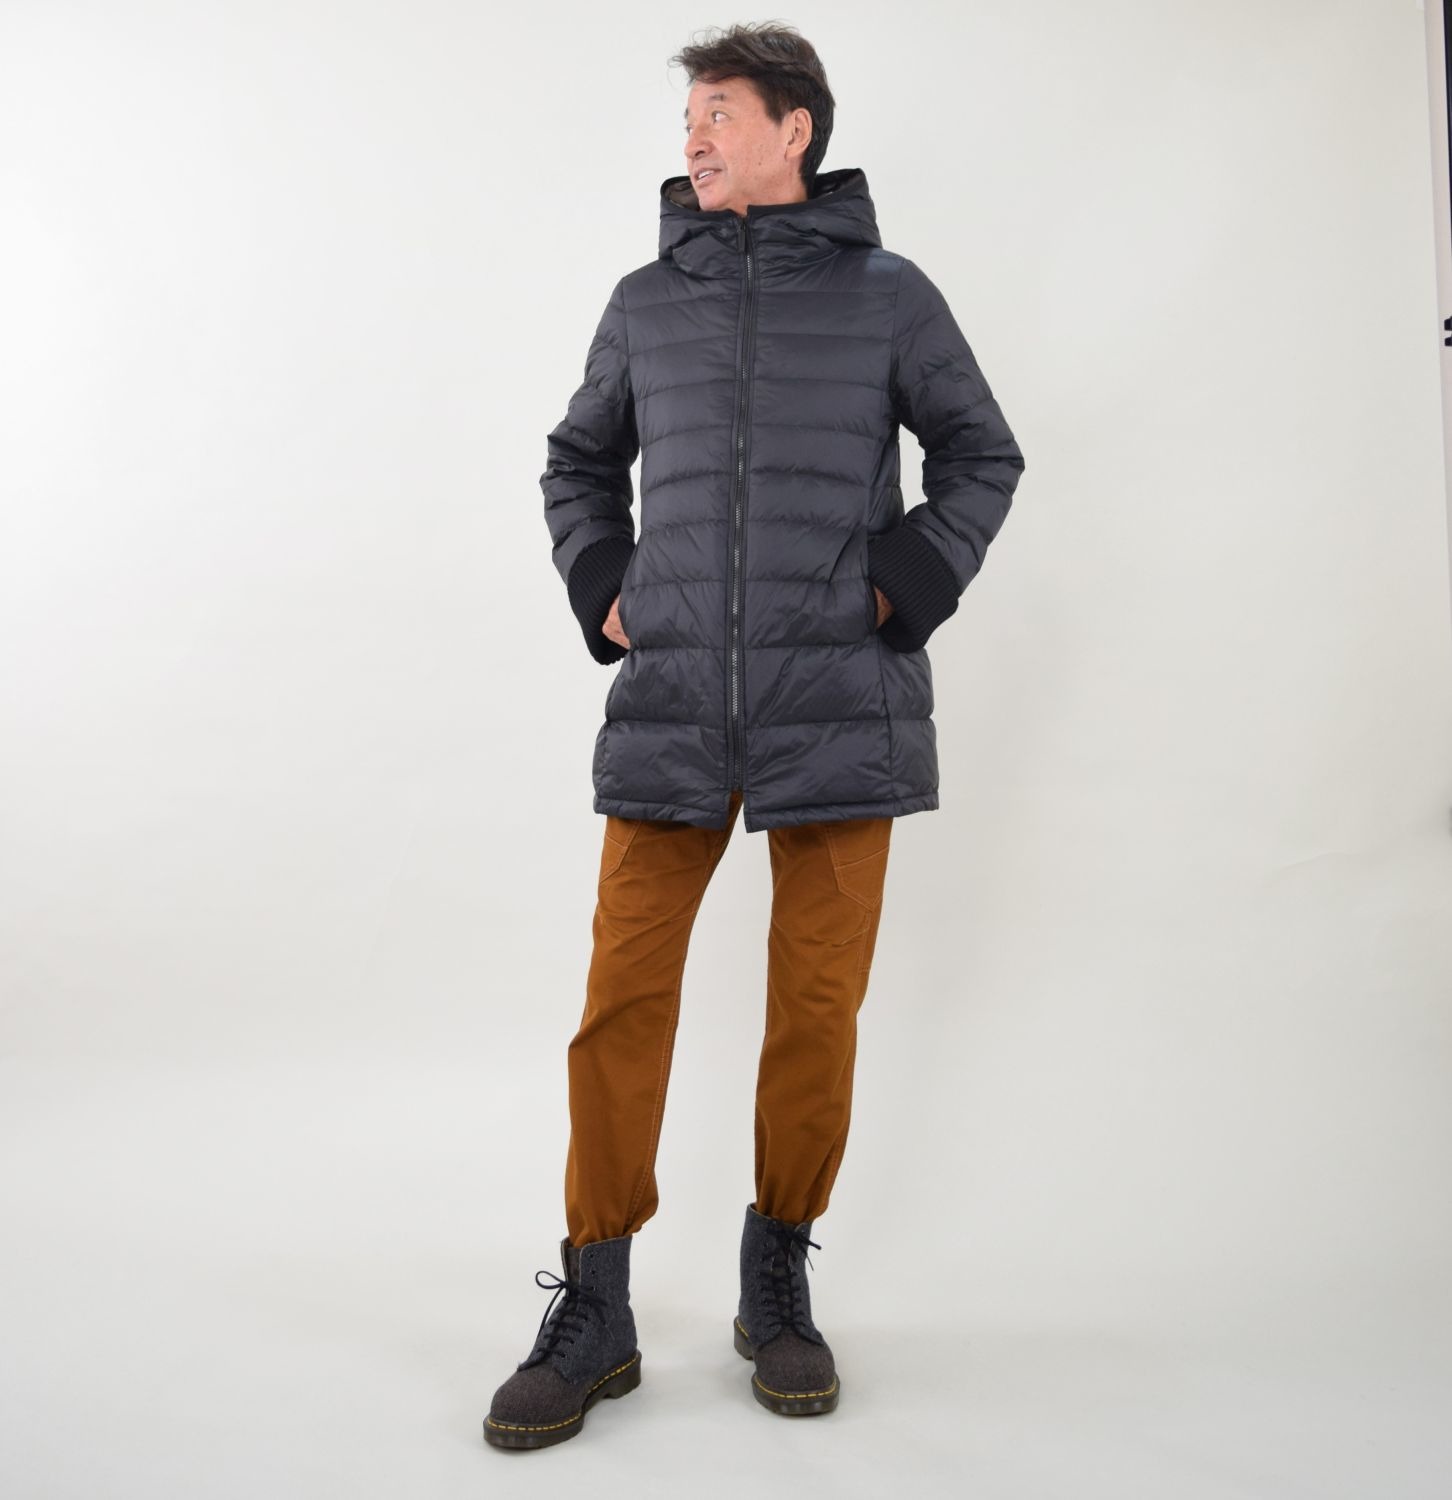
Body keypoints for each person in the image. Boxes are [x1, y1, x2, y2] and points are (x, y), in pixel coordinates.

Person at [483, 21, 1024, 1449]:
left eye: (720, 112)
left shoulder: (890, 296)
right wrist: (604, 585)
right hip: (671, 707)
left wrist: (902, 584)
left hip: (840, 707)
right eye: (689, 118)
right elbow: (577, 460)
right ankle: (595, 1305)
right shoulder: (644, 302)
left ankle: (776, 1277)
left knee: (814, 1007)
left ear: (797, 129)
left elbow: (983, 451)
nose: (695, 136)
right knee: (621, 1001)